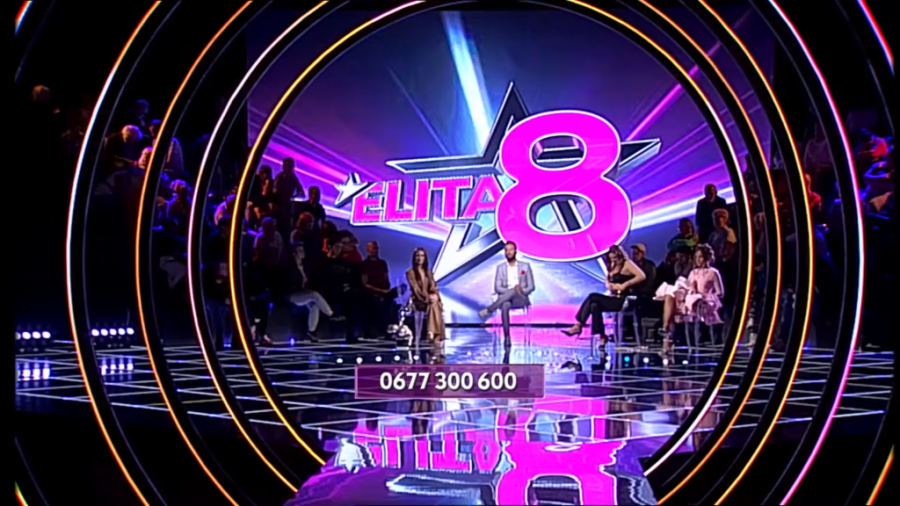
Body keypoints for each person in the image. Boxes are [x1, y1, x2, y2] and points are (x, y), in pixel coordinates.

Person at [561, 245, 646, 344]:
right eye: (611, 258)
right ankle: (602, 335)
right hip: (613, 297)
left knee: (593, 296)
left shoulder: (627, 263)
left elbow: (642, 276)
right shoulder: (612, 265)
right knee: (594, 305)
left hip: (623, 300)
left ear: (620, 255)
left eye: (615, 258)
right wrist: (609, 285)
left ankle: (578, 325)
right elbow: (607, 279)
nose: (613, 260)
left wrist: (624, 285)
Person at [654, 244, 724, 354]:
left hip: (705, 301)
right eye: (696, 257)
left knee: (692, 305)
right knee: (670, 295)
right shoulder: (693, 272)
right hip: (692, 299)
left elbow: (720, 292)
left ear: (707, 257)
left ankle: (668, 334)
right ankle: (667, 332)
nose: (698, 260)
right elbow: (689, 287)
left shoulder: (713, 272)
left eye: (700, 257)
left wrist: (707, 296)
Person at [477, 241, 535, 345]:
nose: (508, 252)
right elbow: (497, 288)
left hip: (521, 298)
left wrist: (521, 290)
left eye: (511, 250)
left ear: (515, 251)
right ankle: (507, 337)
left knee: (514, 291)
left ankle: (489, 309)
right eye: (506, 250)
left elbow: (531, 286)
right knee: (505, 305)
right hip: (506, 299)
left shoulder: (525, 266)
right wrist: (512, 290)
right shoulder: (500, 268)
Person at [306, 237, 362, 342]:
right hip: (325, 292)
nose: (339, 249)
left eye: (340, 247)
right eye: (336, 247)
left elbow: (350, 278)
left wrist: (348, 286)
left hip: (341, 292)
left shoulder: (343, 262)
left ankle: (351, 334)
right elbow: (316, 280)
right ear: (329, 247)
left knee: (352, 302)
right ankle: (315, 330)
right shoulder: (321, 263)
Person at [406, 248, 446, 345]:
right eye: (417, 256)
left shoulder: (429, 272)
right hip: (418, 300)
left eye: (422, 256)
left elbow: (433, 287)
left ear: (425, 258)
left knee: (434, 304)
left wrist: (435, 295)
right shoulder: (410, 273)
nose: (420, 258)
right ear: (414, 258)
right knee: (434, 304)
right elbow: (416, 290)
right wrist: (428, 297)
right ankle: (435, 333)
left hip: (430, 300)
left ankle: (430, 332)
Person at [360, 241, 397, 340]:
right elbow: (365, 284)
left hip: (385, 291)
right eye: (373, 248)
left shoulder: (382, 263)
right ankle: (377, 331)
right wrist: (380, 291)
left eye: (376, 248)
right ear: (368, 250)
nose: (375, 250)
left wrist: (387, 290)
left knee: (393, 301)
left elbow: (386, 279)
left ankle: (391, 330)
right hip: (371, 293)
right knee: (377, 303)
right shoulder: (364, 264)